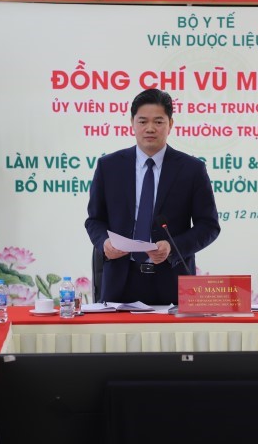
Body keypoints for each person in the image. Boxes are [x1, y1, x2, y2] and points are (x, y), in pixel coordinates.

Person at [85, 88, 220, 305]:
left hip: (172, 280)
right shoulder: (108, 166)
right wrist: (104, 242)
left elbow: (209, 226)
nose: (150, 128)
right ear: (132, 123)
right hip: (120, 280)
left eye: (158, 122)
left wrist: (172, 247)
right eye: (143, 121)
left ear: (170, 124)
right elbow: (95, 220)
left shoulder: (191, 169)